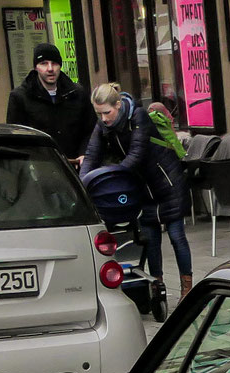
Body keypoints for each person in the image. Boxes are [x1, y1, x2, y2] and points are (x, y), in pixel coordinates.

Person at [82, 83, 192, 295]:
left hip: (168, 184)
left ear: (118, 105)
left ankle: (186, 288)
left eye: (107, 112)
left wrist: (111, 178)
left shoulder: (138, 116)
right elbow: (91, 155)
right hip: (142, 188)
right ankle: (157, 286)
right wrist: (83, 182)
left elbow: (136, 154)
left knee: (177, 237)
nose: (104, 119)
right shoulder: (103, 126)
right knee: (151, 241)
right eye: (99, 114)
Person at [5, 43, 91, 161]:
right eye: (44, 63)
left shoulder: (77, 93)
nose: (50, 69)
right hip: (40, 166)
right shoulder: (20, 97)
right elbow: (15, 138)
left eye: (54, 63)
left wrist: (84, 154)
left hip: (75, 166)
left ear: (60, 66)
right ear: (36, 67)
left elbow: (90, 130)